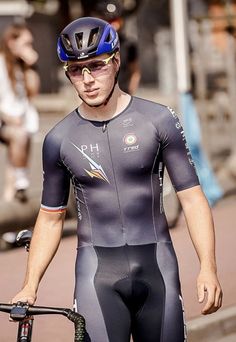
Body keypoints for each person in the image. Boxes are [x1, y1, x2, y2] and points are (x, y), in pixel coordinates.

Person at [11, 17, 222, 342]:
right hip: (97, 275)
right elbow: (50, 219)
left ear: (117, 60)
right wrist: (30, 284)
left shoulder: (159, 120)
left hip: (157, 269)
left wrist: (208, 266)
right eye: (75, 69)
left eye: (96, 66)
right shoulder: (59, 139)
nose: (87, 79)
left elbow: (192, 199)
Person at [0, 22, 39, 202]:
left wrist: (31, 67)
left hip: (23, 122)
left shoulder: (20, 66)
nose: (29, 48)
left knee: (12, 168)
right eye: (26, 44)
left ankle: (10, 206)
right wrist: (7, 117)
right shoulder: (1, 63)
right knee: (20, 137)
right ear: (11, 42)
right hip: (6, 123)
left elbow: (33, 92)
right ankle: (21, 180)